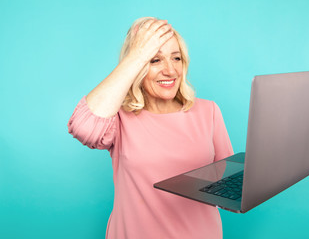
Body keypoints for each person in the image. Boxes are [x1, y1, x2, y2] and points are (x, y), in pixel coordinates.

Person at [68, 17, 233, 239]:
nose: (170, 70)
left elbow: (230, 189)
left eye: (176, 58)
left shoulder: (209, 111)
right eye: (155, 60)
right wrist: (137, 54)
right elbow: (83, 127)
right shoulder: (118, 117)